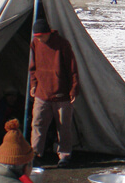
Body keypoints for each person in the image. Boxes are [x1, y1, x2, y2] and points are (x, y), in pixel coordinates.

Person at [29, 18, 78, 168]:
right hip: (42, 93)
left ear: (48, 33)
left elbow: (72, 68)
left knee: (63, 126)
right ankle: (35, 154)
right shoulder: (35, 44)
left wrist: (73, 88)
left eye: (41, 36)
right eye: (36, 36)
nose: (39, 38)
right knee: (38, 124)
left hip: (61, 94)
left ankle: (64, 155)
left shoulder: (62, 44)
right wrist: (33, 84)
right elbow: (32, 67)